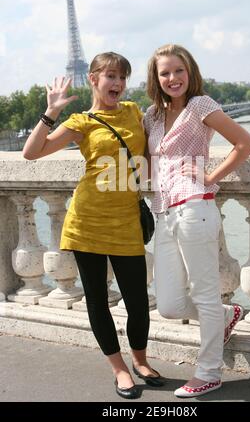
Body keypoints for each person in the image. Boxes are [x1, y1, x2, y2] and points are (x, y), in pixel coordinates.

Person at [22, 52, 164, 399]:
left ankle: (140, 360)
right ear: (94, 79)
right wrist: (51, 111)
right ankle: (119, 369)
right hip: (86, 221)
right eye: (111, 76)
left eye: (122, 77)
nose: (117, 83)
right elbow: (31, 152)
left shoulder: (133, 111)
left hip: (126, 219)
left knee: (137, 300)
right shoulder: (81, 121)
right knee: (97, 300)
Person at [144, 44, 250, 398]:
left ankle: (209, 372)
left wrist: (211, 177)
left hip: (195, 207)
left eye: (179, 70)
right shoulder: (151, 115)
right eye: (165, 73)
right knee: (169, 304)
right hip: (163, 213)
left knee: (204, 294)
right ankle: (224, 316)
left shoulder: (200, 106)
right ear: (156, 78)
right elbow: (146, 164)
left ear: (189, 72)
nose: (173, 78)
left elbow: (244, 143)